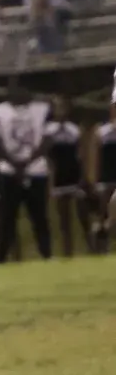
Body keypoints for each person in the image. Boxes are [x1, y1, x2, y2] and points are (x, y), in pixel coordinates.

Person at [0, 84, 52, 264]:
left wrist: (26, 163)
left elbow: (48, 139)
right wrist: (15, 164)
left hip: (36, 170)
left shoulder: (43, 110)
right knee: (6, 217)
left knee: (39, 215)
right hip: (8, 172)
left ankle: (47, 254)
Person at [45, 95, 88, 258]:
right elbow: (48, 156)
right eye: (57, 107)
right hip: (59, 175)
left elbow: (81, 154)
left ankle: (91, 246)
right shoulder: (48, 130)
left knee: (82, 214)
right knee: (64, 217)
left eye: (62, 107)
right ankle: (67, 251)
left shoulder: (74, 129)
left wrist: (83, 176)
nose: (60, 110)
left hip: (74, 174)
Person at [88, 96, 116, 256]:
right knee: (104, 214)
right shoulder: (102, 131)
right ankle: (101, 246)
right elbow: (95, 157)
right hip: (106, 179)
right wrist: (93, 180)